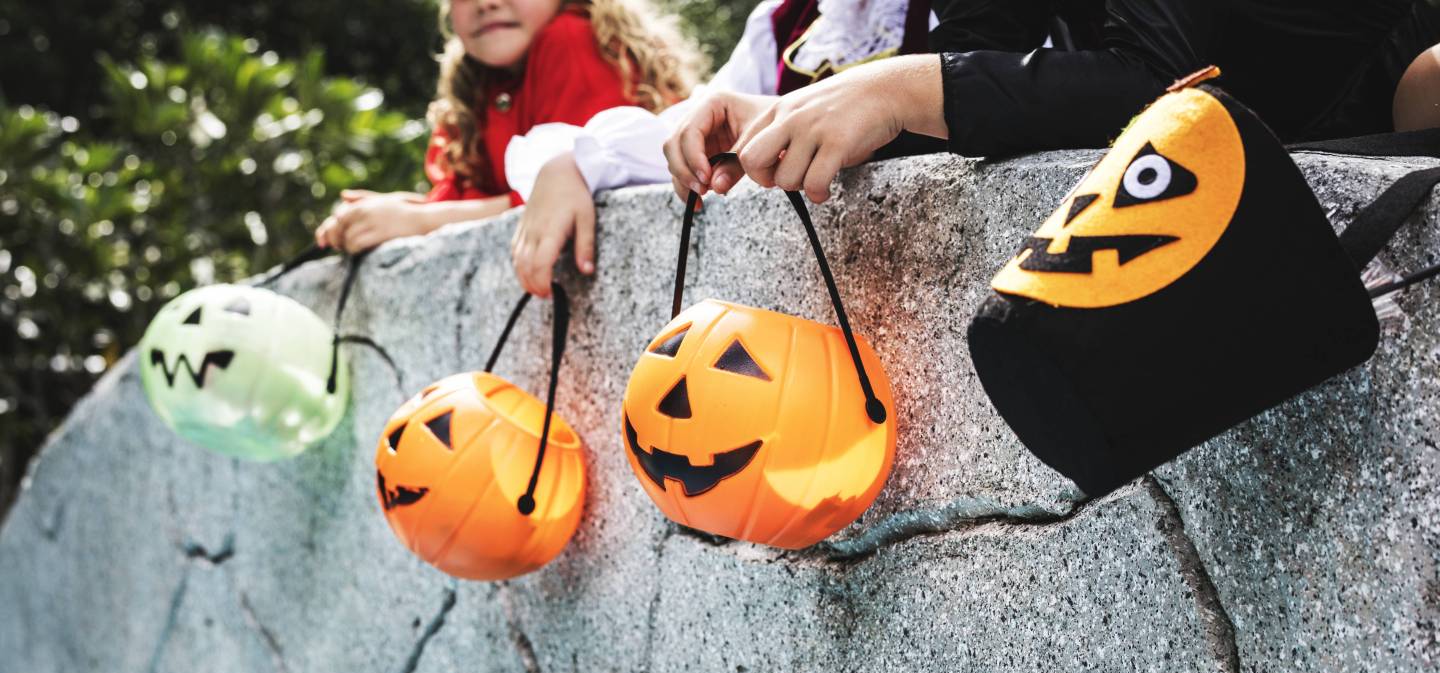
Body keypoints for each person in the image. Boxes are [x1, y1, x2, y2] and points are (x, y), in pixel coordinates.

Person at [665, 0, 1440, 206]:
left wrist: (900, 87)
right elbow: (963, 81)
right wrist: (790, 114)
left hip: (1373, 110)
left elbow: (1157, 80)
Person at [505, 0, 943, 294]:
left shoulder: (971, 16)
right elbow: (692, 133)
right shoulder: (780, 22)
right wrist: (577, 162)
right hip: (800, 291)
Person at [315, 0, 695, 297]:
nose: (486, 4)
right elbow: (463, 201)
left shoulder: (572, 39)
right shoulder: (476, 82)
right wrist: (392, 214)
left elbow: (577, 187)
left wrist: (420, 221)